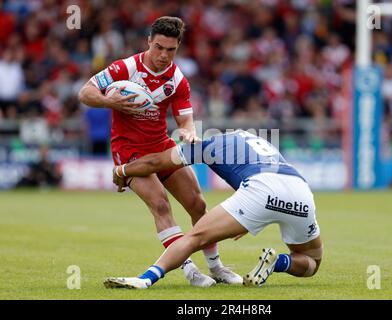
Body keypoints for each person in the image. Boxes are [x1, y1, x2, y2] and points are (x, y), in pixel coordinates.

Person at [78, 16, 241, 287]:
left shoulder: (177, 80)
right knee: (160, 203)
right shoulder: (124, 68)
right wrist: (109, 101)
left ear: (178, 48)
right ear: (149, 42)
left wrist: (188, 132)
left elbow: (185, 120)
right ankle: (188, 269)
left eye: (171, 50)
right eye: (159, 48)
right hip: (129, 150)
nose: (164, 55)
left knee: (198, 205)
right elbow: (85, 92)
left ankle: (217, 267)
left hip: (161, 146)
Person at [104, 130, 323, 289]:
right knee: (312, 262)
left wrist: (122, 170)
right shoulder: (258, 142)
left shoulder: (208, 145)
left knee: (194, 238)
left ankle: (146, 279)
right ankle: (280, 262)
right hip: (300, 190)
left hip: (261, 189)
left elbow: (155, 164)